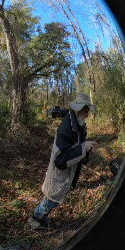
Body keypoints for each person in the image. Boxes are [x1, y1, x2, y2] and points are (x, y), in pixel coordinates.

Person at [29, 93, 97, 229]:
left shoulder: (79, 123)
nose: (88, 113)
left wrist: (85, 149)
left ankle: (42, 216)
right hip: (59, 173)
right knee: (50, 199)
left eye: (88, 109)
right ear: (79, 109)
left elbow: (78, 145)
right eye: (86, 109)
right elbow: (60, 160)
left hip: (66, 173)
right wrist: (83, 148)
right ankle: (35, 218)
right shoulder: (66, 128)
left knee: (53, 199)